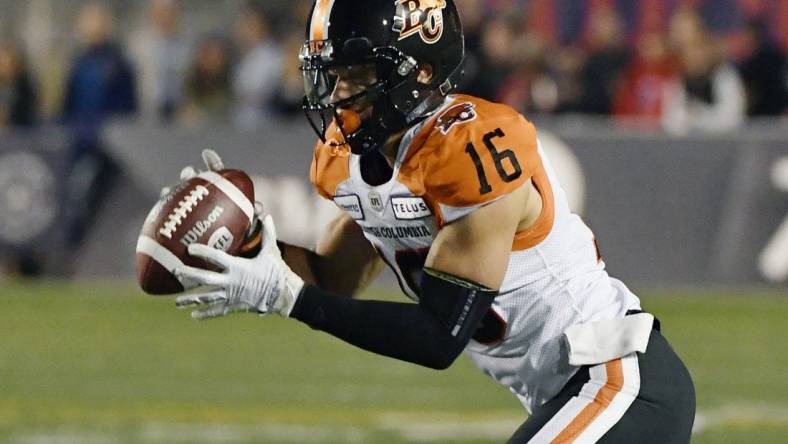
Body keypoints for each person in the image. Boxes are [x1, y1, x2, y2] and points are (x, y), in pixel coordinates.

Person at [171, 1, 696, 442]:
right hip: (561, 392)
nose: (336, 96)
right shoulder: (351, 159)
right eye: (331, 76)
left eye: (355, 75)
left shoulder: (472, 147)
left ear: (418, 70)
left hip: (620, 379)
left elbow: (437, 337)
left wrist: (289, 298)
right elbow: (333, 277)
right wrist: (245, 245)